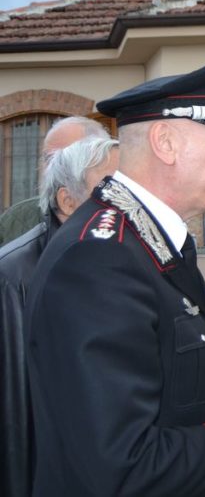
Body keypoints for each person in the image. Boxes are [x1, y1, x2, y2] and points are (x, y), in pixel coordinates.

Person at [25, 51, 205, 496]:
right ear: (165, 142)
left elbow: (159, 403)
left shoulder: (147, 240)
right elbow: (119, 467)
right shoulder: (100, 261)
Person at [0, 136, 119, 497]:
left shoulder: (124, 258)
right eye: (110, 189)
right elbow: (15, 414)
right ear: (67, 201)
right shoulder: (14, 275)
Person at [0, 116, 109, 245]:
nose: (53, 168)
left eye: (64, 158)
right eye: (48, 158)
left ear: (101, 161)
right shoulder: (16, 218)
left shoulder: (124, 216)